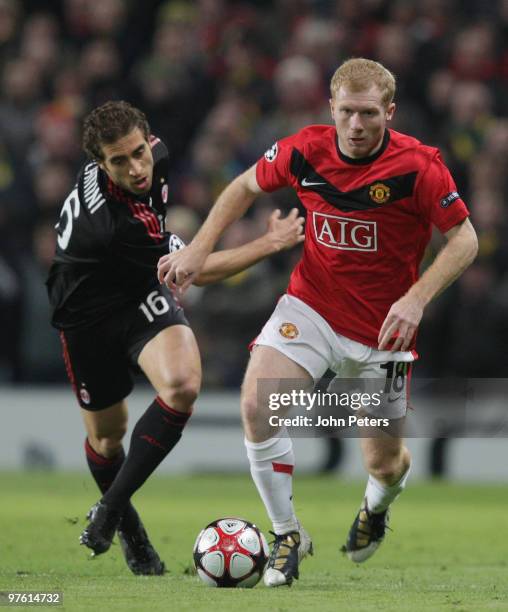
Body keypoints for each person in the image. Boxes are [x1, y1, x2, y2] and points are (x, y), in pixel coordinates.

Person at [157, 58, 479, 587]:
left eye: (369, 114)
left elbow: (465, 239)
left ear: (389, 112)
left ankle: (375, 510)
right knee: (258, 403)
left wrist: (417, 298)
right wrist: (198, 248)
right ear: (331, 107)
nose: (356, 125)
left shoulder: (418, 168)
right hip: (312, 307)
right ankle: (286, 536)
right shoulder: (306, 149)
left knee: (386, 463)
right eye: (347, 112)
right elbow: (241, 188)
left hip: (383, 332)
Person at [46, 100, 304, 575]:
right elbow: (196, 272)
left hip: (137, 294)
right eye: (119, 162)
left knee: (183, 385)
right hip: (85, 316)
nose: (136, 167)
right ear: (99, 164)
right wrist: (270, 243)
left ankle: (107, 512)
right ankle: (133, 535)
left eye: (138, 152)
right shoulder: (113, 224)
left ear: (148, 139)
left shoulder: (154, 158)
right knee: (107, 440)